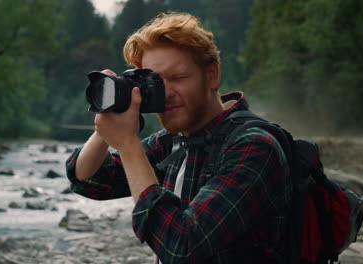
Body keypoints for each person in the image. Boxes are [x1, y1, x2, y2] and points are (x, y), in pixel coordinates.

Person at [66, 12, 293, 263]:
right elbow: (89, 179)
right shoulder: (175, 141)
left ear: (211, 75)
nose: (167, 93)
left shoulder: (253, 146)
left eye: (177, 78)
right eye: (156, 82)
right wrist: (109, 118)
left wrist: (129, 145)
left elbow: (181, 246)